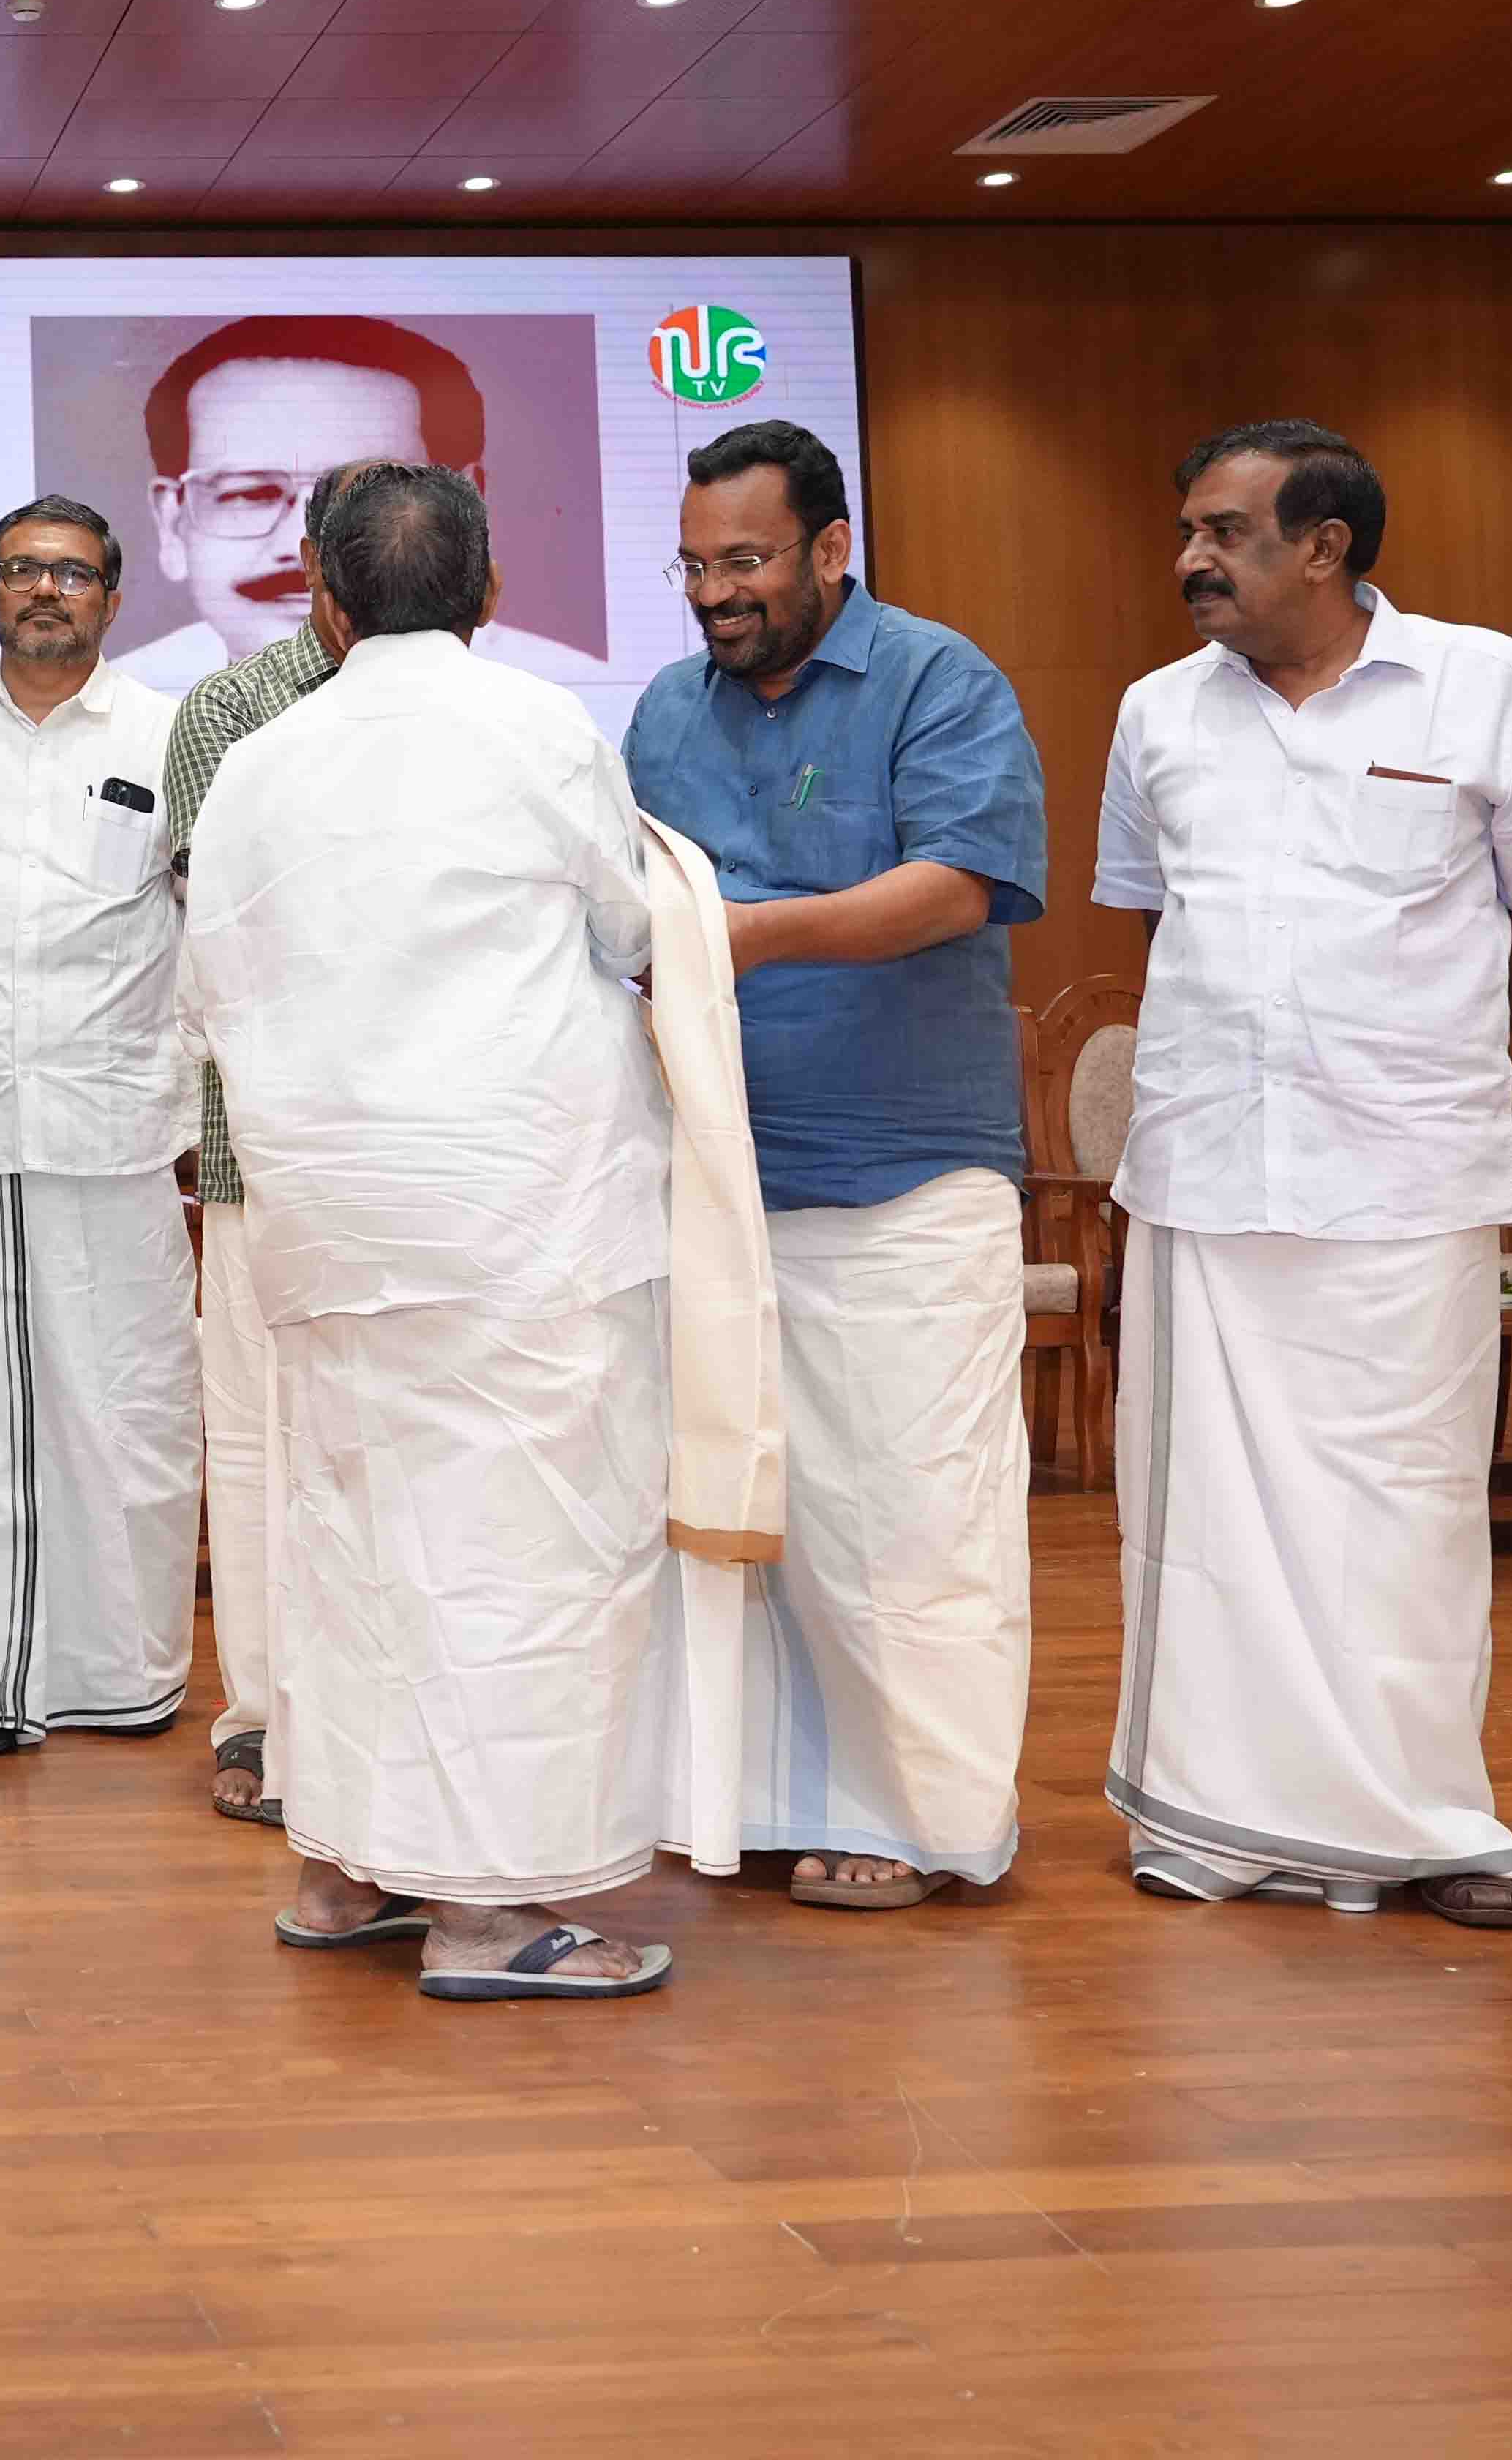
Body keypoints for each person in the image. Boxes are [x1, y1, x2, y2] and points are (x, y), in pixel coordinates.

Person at [1098, 421, 1512, 1930]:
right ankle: (1220, 1823)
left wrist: (1427, 1032)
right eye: (1188, 531)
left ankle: (1433, 1825)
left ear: (1326, 545)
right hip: (1207, 1170)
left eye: (1223, 532)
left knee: (1408, 1511)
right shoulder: (1156, 712)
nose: (1191, 560)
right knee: (1209, 1521)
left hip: (1402, 1168)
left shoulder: (1490, 683)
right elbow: (1158, 916)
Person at [188, 462, 677, 2001]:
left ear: (325, 603)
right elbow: (634, 929)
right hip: (518, 1216)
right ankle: (489, 1913)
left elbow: (212, 985)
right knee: (516, 1555)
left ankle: (348, 1870)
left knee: (349, 1543)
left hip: (328, 1216)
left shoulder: (259, 762)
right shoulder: (540, 727)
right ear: (488, 592)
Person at [621, 421, 1049, 1911]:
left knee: (909, 1516)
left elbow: (961, 885)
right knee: (745, 1512)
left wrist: (741, 938)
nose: (715, 594)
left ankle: (925, 1819)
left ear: (831, 547)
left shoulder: (938, 679)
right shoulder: (665, 709)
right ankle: (747, 1804)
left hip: (902, 1175)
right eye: (693, 566)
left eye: (744, 561)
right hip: (719, 1181)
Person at [0, 498, 198, 1755]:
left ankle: (128, 1674)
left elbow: (210, 920)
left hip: (116, 1129)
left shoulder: (170, 735)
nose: (45, 591)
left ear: (114, 599)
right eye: (21, 569)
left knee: (131, 1414)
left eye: (71, 574)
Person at [163, 496, 356, 1825]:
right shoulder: (233, 709)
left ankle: (378, 1719)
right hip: (261, 1146)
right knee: (255, 1447)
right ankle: (264, 1720)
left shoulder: (482, 714)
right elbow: (228, 925)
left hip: (426, 1153)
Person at [109, 317, 609, 696]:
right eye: (248, 494)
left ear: (465, 514)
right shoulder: (127, 707)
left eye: (363, 495)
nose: (303, 548)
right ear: (172, 524)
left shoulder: (569, 703)